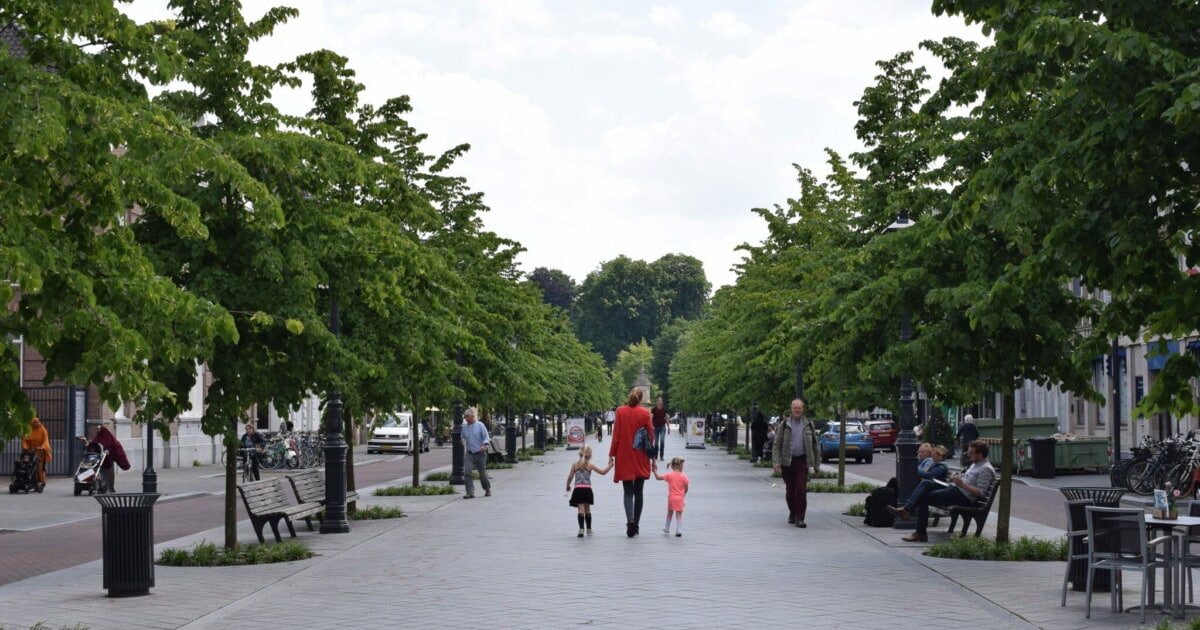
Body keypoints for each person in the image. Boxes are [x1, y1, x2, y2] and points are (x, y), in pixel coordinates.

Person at [888, 439, 996, 542]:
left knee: (923, 497)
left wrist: (962, 484)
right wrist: (957, 477)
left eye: (971, 453)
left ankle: (918, 529)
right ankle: (908, 511)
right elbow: (968, 480)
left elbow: (981, 493)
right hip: (955, 489)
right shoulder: (975, 464)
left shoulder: (986, 469)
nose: (968, 455)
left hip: (962, 496)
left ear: (980, 454)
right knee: (926, 483)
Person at [608, 388, 654, 537]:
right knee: (639, 492)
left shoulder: (620, 411)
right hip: (640, 455)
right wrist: (652, 456)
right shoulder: (645, 413)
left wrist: (612, 454)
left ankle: (630, 521)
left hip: (624, 455)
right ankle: (636, 525)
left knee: (628, 492)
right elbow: (651, 436)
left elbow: (616, 435)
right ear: (641, 399)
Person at [772, 398, 820, 528]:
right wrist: (776, 463)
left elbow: (815, 445)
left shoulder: (809, 424)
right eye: (795, 408)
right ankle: (792, 512)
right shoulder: (784, 424)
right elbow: (777, 445)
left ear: (802, 409)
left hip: (802, 460)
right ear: (791, 409)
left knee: (800, 489)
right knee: (790, 490)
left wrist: (816, 465)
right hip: (787, 461)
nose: (797, 410)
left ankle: (800, 518)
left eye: (799, 408)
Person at [565, 444, 613, 537]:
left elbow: (570, 477)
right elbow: (603, 472)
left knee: (581, 509)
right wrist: (610, 465)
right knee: (587, 509)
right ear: (590, 455)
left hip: (578, 490)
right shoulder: (590, 466)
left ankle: (581, 529)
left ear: (579, 453)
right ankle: (589, 529)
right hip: (587, 490)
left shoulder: (575, 465)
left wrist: (567, 486)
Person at [81, 419, 130, 493]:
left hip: (107, 460)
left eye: (98, 429)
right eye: (96, 429)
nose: (96, 430)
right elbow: (93, 445)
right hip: (97, 460)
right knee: (96, 472)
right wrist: (87, 443)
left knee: (108, 475)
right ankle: (94, 485)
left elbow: (115, 448)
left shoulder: (109, 439)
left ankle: (109, 488)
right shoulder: (97, 438)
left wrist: (108, 452)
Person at [653, 456, 689, 537]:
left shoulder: (669, 475)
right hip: (680, 498)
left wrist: (654, 471)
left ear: (672, 466)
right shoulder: (684, 476)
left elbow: (658, 478)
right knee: (679, 514)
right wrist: (683, 495)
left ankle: (667, 528)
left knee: (670, 513)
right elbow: (686, 488)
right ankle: (679, 529)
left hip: (671, 498)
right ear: (680, 466)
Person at [461, 407, 492, 499]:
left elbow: (486, 437)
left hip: (480, 453)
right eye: (465, 417)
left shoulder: (480, 425)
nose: (466, 419)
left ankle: (487, 489)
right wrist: (461, 440)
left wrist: (484, 445)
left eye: (467, 417)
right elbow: (462, 436)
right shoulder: (465, 428)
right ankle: (470, 492)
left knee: (482, 474)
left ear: (472, 416)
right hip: (469, 453)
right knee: (467, 472)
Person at [21, 416, 51, 487]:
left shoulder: (42, 429)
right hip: (30, 451)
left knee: (40, 467)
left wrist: (43, 447)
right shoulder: (29, 429)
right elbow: (24, 440)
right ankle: (30, 480)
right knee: (28, 465)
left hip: (40, 451)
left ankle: (42, 481)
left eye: (38, 422)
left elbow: (45, 440)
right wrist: (25, 447)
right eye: (35, 422)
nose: (37, 423)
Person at [651, 396, 670, 460]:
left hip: (662, 427)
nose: (660, 402)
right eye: (659, 401)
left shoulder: (664, 409)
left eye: (661, 401)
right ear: (656, 402)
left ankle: (661, 456)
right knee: (656, 443)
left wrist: (668, 428)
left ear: (662, 402)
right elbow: (651, 418)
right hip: (655, 428)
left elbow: (667, 418)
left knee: (662, 441)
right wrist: (651, 426)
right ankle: (656, 455)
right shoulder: (654, 409)